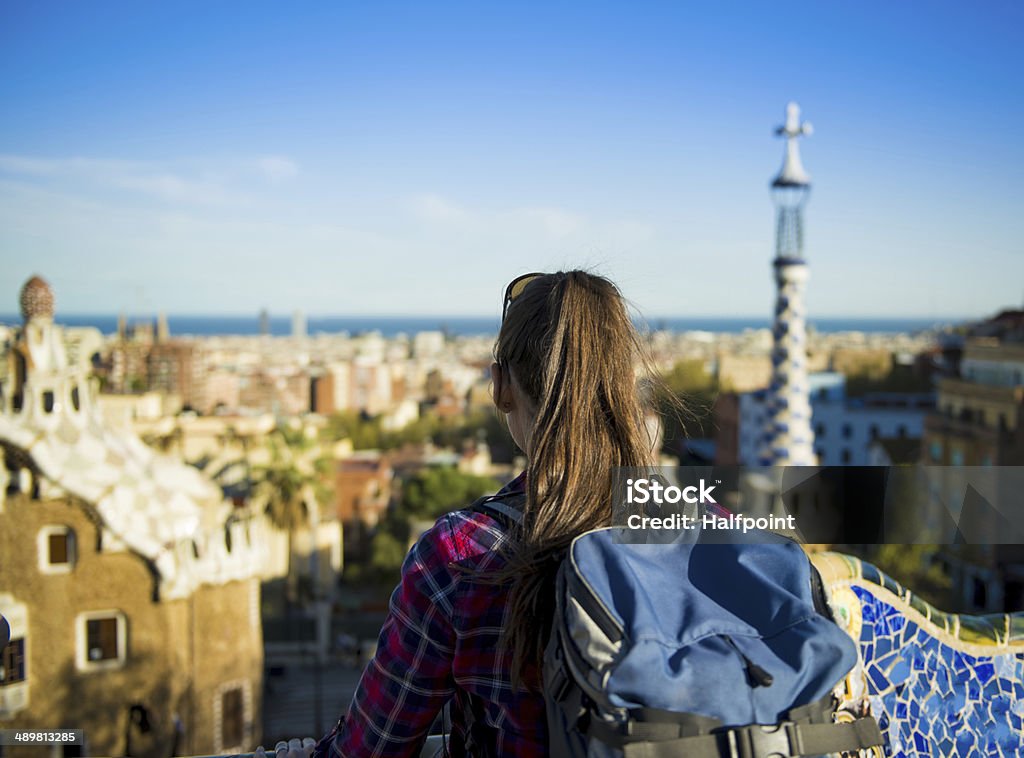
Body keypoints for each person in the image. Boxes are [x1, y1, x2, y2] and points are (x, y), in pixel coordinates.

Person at [312, 271, 660, 757]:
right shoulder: (713, 525)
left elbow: (372, 748)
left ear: (500, 388)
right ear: (624, 387)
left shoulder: (458, 557)